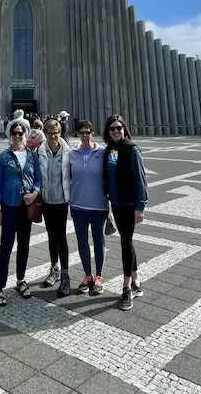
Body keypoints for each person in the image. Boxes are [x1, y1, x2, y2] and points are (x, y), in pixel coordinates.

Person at [0, 120, 42, 306]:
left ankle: (21, 280)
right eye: (15, 133)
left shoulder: (31, 155)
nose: (18, 136)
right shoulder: (4, 156)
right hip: (9, 207)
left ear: (26, 135)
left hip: (25, 208)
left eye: (21, 133)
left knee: (24, 245)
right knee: (6, 246)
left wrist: (35, 193)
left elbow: (38, 178)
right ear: (10, 135)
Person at [103, 115, 148, 311]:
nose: (116, 131)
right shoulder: (109, 150)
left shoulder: (131, 149)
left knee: (125, 242)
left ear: (124, 129)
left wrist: (140, 207)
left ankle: (126, 287)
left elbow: (141, 178)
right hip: (117, 204)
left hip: (129, 204)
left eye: (119, 128)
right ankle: (137, 281)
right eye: (112, 128)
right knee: (126, 240)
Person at [70, 119, 107, 295]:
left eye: (88, 132)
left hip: (99, 206)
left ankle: (99, 276)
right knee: (82, 242)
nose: (85, 135)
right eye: (82, 132)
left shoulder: (103, 152)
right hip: (77, 205)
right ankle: (87, 275)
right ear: (78, 134)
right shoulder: (72, 154)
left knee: (99, 241)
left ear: (93, 133)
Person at [37, 118, 71, 296]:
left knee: (61, 236)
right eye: (49, 133)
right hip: (47, 201)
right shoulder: (40, 151)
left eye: (55, 133)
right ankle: (54, 268)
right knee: (51, 235)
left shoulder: (67, 153)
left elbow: (73, 174)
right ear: (46, 134)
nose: (52, 136)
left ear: (60, 133)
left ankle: (65, 275)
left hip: (61, 201)